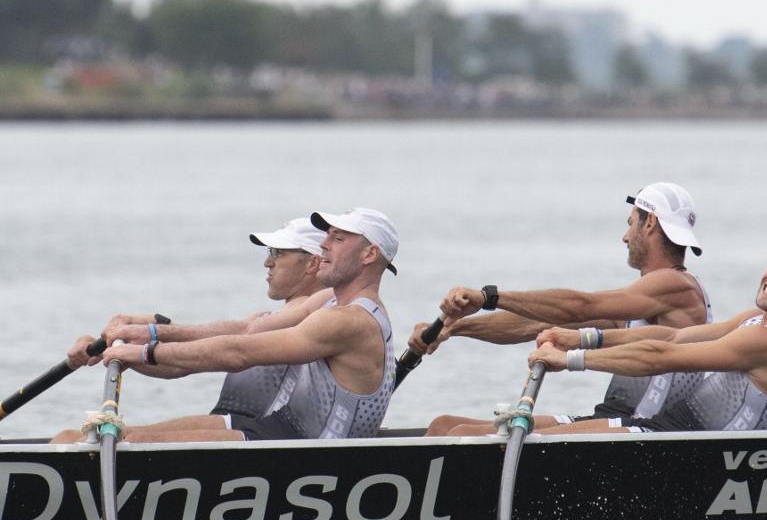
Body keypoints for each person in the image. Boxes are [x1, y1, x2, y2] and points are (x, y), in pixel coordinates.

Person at [53, 208, 399, 443]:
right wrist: (149, 335)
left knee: (130, 442)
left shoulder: (349, 320)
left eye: (338, 238)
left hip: (303, 452)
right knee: (115, 438)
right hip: (273, 429)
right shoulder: (325, 302)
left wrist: (146, 349)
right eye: (327, 236)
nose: (325, 244)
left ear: (369, 255)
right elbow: (245, 332)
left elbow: (238, 351)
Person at [418, 182, 713, 435]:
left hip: (647, 429)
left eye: (630, 222)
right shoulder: (643, 301)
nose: (624, 237)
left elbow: (581, 306)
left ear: (649, 223)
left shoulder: (677, 286)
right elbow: (532, 324)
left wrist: (489, 297)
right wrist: (453, 329)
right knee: (444, 426)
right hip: (611, 417)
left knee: (464, 436)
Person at [492, 236, 767, 436]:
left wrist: (569, 361)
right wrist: (585, 338)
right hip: (663, 431)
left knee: (536, 440)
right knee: (455, 426)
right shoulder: (757, 320)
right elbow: (674, 339)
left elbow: (662, 358)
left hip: (680, 448)